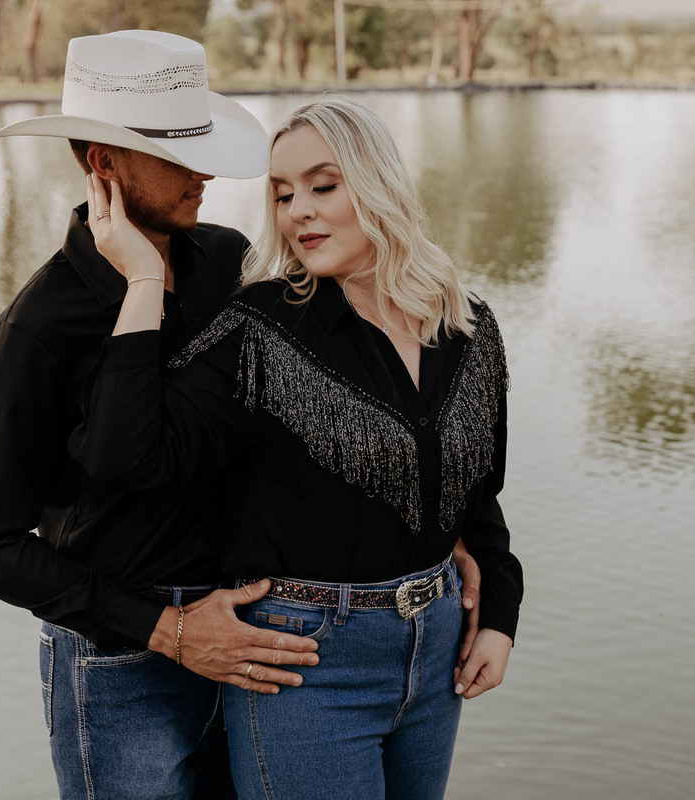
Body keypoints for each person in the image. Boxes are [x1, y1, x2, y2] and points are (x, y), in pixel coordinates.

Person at [0, 32, 480, 799]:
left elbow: (318, 401)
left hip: (262, 629)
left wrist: (434, 518)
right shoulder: (38, 329)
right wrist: (167, 631)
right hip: (125, 665)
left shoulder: (227, 263)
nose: (203, 167)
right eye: (172, 151)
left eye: (199, 141)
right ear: (103, 165)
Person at [73, 97, 523, 798]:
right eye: (282, 194)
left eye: (322, 185)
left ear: (377, 184)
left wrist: (499, 618)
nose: (298, 212)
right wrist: (141, 279)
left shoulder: (467, 325)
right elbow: (126, 458)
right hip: (304, 661)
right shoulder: (261, 328)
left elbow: (476, 493)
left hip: (436, 655)